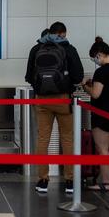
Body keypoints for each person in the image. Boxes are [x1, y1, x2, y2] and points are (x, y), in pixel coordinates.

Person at [25, 21, 84, 194]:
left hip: (42, 100)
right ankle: (70, 181)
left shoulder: (36, 49)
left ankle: (43, 180)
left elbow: (29, 76)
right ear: (63, 33)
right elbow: (78, 75)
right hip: (63, 99)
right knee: (67, 138)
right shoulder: (68, 49)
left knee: (43, 138)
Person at [82, 37, 109, 191]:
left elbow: (96, 94)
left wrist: (86, 86)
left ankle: (105, 183)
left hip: (101, 112)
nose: (95, 60)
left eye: (94, 57)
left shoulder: (101, 71)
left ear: (99, 54)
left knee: (102, 149)